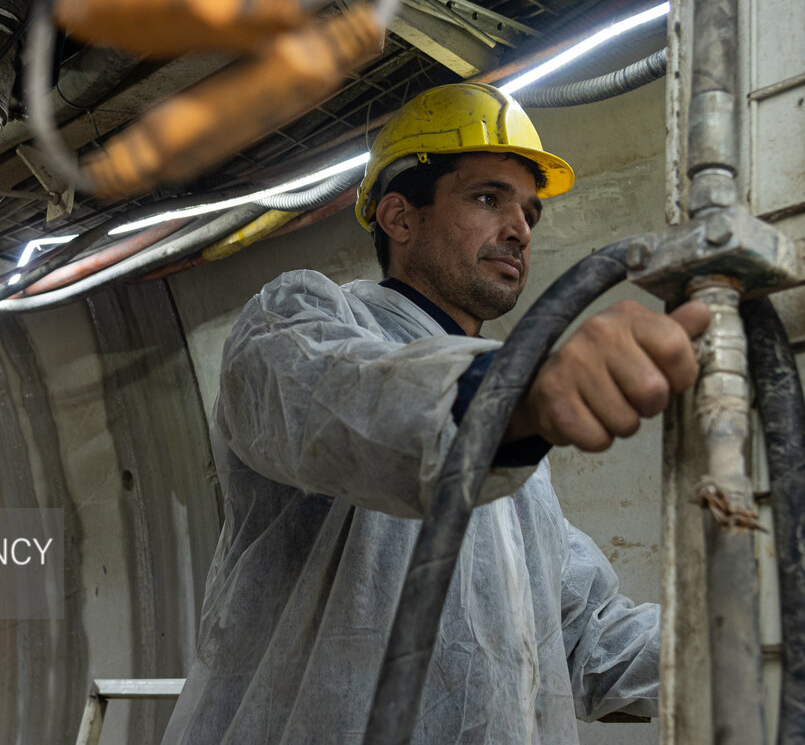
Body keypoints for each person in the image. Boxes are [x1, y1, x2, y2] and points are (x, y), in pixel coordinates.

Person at [161, 83, 711, 744]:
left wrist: (744, 626)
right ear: (399, 217)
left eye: (531, 213)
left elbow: (589, 648)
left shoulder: (516, 454)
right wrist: (517, 396)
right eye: (488, 198)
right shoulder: (300, 324)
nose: (520, 229)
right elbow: (354, 407)